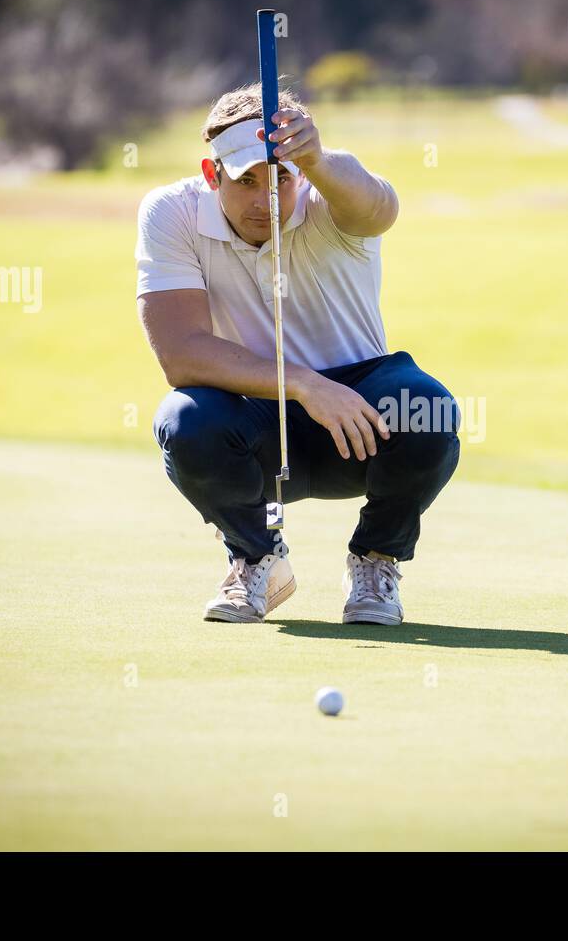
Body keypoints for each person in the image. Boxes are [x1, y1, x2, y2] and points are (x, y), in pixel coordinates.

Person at [135, 84, 460, 626]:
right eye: (246, 180)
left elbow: (381, 209)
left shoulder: (331, 193)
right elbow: (181, 355)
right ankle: (257, 556)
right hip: (253, 426)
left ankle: (375, 559)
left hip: (358, 424)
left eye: (281, 177)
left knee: (427, 407)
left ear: (301, 172)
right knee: (184, 420)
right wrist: (307, 384)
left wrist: (317, 159)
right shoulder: (171, 212)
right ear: (212, 174)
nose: (265, 198)